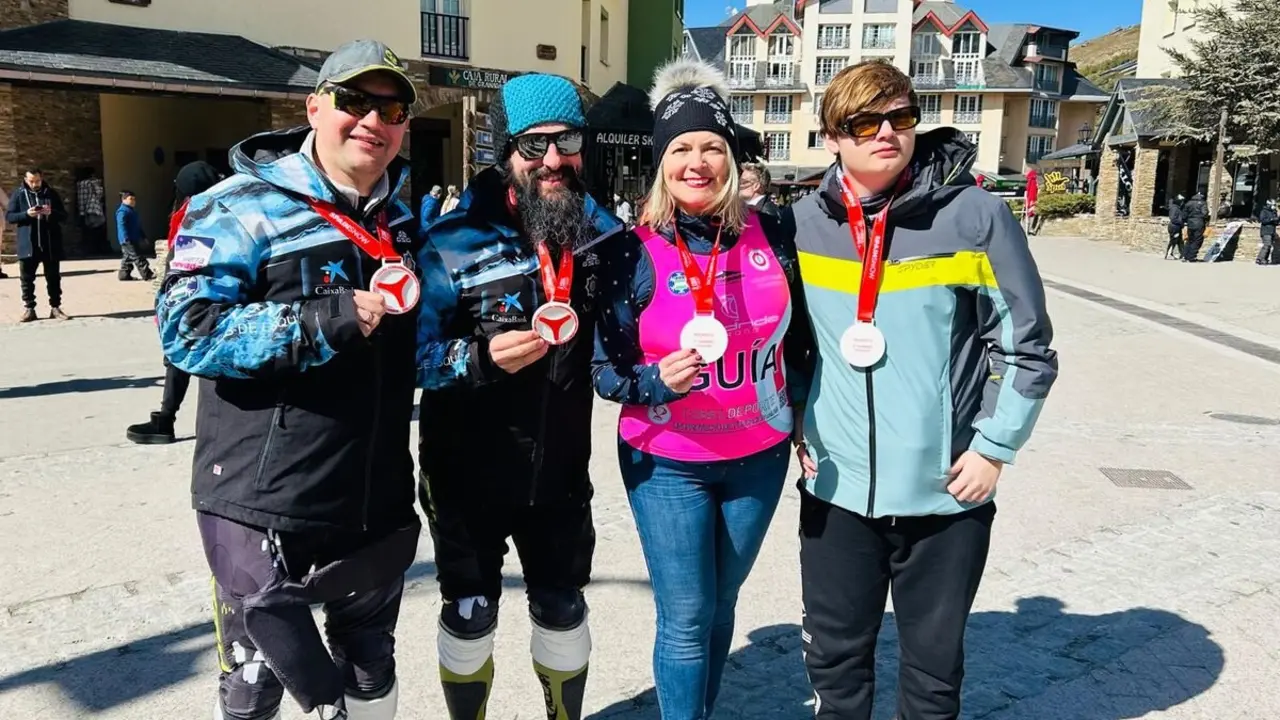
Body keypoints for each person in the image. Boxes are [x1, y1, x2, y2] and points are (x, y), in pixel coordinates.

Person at [155, 38, 423, 720]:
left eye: (392, 109)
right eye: (354, 101)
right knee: (257, 688)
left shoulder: (404, 221)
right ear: (314, 107)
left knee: (370, 674)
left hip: (373, 498)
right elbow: (185, 331)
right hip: (266, 505)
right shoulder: (239, 205)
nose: (373, 120)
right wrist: (317, 322)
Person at [787, 61, 1059, 719]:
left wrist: (994, 447)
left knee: (933, 679)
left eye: (901, 117)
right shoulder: (799, 225)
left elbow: (1027, 346)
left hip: (945, 497)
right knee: (835, 669)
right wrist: (797, 420)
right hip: (836, 492)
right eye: (865, 122)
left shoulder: (975, 217)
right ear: (831, 136)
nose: (887, 133)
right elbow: (785, 343)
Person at [590, 59, 809, 720]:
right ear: (661, 163)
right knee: (686, 618)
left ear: (733, 158)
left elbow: (803, 344)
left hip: (759, 458)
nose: (697, 160)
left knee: (721, 604)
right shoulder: (628, 251)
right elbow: (604, 370)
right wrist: (655, 379)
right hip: (668, 463)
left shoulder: (778, 234)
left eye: (712, 146)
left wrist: (801, 417)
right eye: (680, 148)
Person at [414, 72, 623, 720]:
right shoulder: (450, 242)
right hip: (464, 478)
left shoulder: (603, 236)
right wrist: (473, 359)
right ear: (505, 153)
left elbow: (637, 329)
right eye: (534, 145)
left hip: (559, 476)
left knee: (562, 609)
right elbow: (414, 361)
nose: (553, 159)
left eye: (567, 140)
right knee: (470, 615)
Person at [126, 161, 224, 445]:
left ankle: (166, 420)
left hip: (191, 295)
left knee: (182, 356)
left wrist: (172, 301)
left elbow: (185, 263)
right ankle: (169, 418)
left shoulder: (197, 214)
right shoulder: (212, 208)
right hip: (199, 294)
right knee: (186, 358)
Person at [7, 169, 69, 322]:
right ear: (25, 179)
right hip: (28, 244)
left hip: (49, 242)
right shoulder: (19, 194)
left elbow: (64, 216)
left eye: (37, 181)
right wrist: (26, 214)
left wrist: (51, 212)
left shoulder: (51, 193)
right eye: (31, 181)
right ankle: (29, 308)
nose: (34, 184)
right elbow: (9, 216)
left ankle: (55, 307)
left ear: (42, 179)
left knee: (53, 277)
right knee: (27, 278)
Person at [115, 190, 155, 281]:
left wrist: (143, 237)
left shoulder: (132, 211)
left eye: (134, 199)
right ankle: (147, 274)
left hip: (134, 238)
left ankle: (124, 275)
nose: (133, 201)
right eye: (130, 199)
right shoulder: (122, 211)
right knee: (137, 256)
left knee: (127, 258)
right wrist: (125, 238)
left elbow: (138, 226)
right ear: (123, 199)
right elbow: (121, 225)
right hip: (127, 240)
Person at [1182, 192, 1208, 261]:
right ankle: (1192, 257)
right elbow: (1205, 214)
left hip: (1190, 223)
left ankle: (1185, 256)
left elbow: (1184, 215)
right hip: (1199, 223)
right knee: (1197, 240)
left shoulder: (1188, 203)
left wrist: (1186, 221)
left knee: (1190, 240)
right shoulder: (1202, 203)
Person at [1256, 198, 1277, 266]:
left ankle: (1264, 259)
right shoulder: (1264, 211)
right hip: (1265, 231)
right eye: (1273, 204)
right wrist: (1271, 219)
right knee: (1267, 245)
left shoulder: (1274, 211)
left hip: (1272, 231)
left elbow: (1275, 222)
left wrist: (1277, 220)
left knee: (1269, 246)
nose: (1274, 206)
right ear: (1268, 204)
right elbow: (1262, 220)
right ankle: (1260, 259)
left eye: (1275, 204)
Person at [1165, 194, 1185, 260]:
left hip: (1177, 227)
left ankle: (1183, 254)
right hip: (1174, 227)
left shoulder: (1177, 208)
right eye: (1181, 201)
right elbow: (1173, 218)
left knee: (1180, 241)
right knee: (1173, 241)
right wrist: (1181, 223)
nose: (1182, 203)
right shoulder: (1174, 208)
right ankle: (1169, 254)